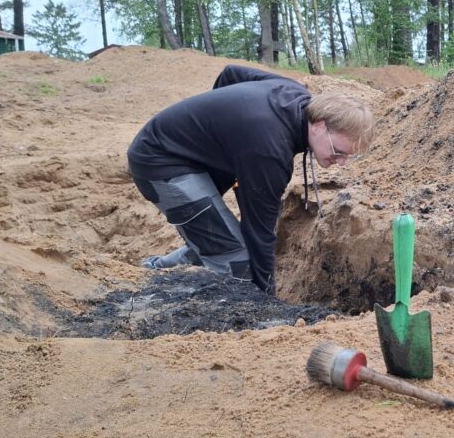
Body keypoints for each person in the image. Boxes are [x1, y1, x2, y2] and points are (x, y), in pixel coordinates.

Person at [127, 64, 373, 296]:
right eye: (338, 151)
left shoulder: (294, 93)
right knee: (237, 267)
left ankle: (155, 268)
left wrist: (224, 134)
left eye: (347, 156)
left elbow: (231, 74)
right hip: (159, 161)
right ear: (319, 125)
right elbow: (259, 231)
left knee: (223, 238)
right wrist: (265, 298)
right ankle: (160, 296)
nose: (340, 162)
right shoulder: (269, 151)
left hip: (185, 156)